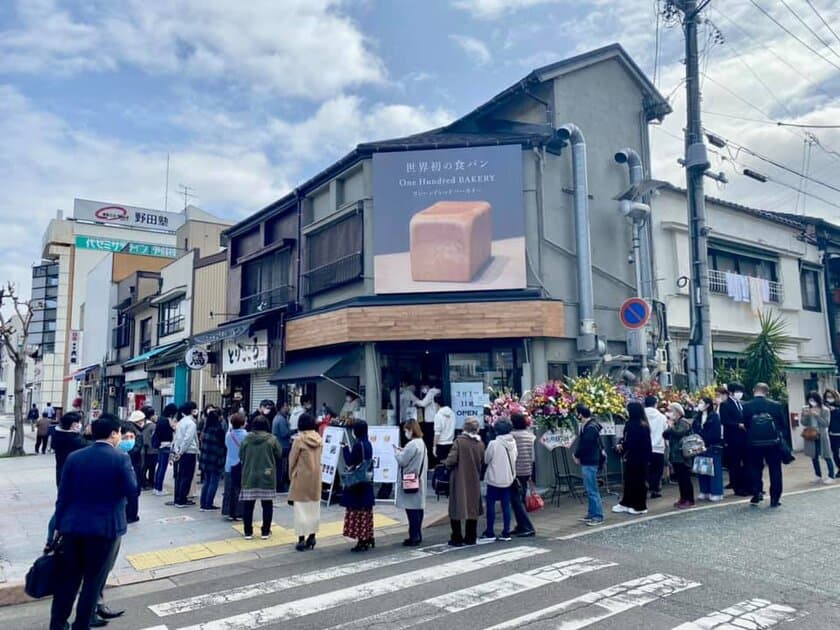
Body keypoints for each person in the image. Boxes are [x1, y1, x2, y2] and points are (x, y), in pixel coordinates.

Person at [48, 414, 136, 630]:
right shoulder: (120, 458)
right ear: (114, 433)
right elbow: (132, 490)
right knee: (92, 582)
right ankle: (82, 624)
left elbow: (63, 496)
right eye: (119, 433)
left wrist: (56, 528)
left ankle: (58, 624)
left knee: (68, 581)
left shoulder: (75, 457)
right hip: (105, 529)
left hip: (72, 527)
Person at [743, 382, 787, 507]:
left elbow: (745, 424)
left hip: (754, 444)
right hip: (773, 443)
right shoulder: (776, 405)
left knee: (754, 468)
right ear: (767, 392)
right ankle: (775, 498)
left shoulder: (747, 406)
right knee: (775, 470)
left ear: (753, 390)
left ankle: (757, 493)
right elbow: (783, 425)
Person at [239, 416, 282, 539]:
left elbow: (241, 455)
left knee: (248, 505)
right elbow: (279, 454)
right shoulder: (272, 439)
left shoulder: (246, 439)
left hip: (250, 474)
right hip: (267, 475)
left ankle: (248, 532)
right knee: (267, 505)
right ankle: (265, 531)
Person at [444, 417, 484, 546]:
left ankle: (457, 537)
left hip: (459, 478)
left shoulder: (459, 442)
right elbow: (482, 461)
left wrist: (446, 465)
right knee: (473, 508)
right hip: (474, 478)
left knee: (456, 507)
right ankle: (470, 536)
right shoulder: (480, 444)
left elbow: (451, 460)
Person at [289, 413, 323, 551]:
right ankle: (312, 536)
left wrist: (291, 475)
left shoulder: (299, 440)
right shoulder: (319, 439)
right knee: (314, 508)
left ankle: (301, 539)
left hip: (302, 477)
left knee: (301, 510)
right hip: (316, 477)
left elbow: (292, 460)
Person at [341, 420, 376, 552]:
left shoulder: (357, 445)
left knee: (357, 512)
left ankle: (362, 541)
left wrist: (344, 448)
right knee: (366, 512)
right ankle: (368, 537)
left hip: (357, 484)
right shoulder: (368, 444)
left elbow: (350, 461)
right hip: (366, 483)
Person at [613, 401, 652, 515]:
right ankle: (627, 502)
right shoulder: (640, 424)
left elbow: (631, 442)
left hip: (637, 458)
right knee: (630, 481)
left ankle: (640, 506)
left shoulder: (636, 425)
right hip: (637, 458)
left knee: (638, 482)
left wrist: (622, 446)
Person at [481, 419, 517, 541]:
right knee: (506, 505)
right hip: (508, 478)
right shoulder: (513, 442)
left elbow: (486, 459)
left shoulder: (493, 444)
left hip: (494, 478)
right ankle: (506, 532)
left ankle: (490, 531)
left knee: (490, 504)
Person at [394, 419, 427, 546]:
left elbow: (402, 461)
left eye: (406, 430)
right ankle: (417, 534)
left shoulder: (412, 444)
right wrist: (403, 450)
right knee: (418, 508)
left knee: (411, 509)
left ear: (411, 430)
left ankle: (414, 536)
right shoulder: (421, 443)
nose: (405, 433)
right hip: (419, 479)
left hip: (410, 479)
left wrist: (397, 453)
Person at [573, 405, 605, 526]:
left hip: (590, 461)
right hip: (590, 460)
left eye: (577, 413)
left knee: (592, 489)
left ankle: (597, 516)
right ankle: (592, 513)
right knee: (590, 489)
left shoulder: (590, 427)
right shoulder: (591, 425)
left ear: (581, 414)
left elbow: (586, 444)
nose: (577, 416)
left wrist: (577, 455)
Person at [662, 402, 694, 509]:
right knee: (680, 479)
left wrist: (671, 426)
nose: (669, 413)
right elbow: (665, 435)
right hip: (675, 455)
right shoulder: (674, 424)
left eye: (671, 411)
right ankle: (683, 497)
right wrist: (670, 426)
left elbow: (679, 432)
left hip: (683, 455)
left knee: (685, 478)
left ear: (677, 412)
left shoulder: (684, 422)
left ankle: (689, 499)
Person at [720, 383, 750, 496]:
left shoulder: (742, 404)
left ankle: (748, 485)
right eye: (738, 391)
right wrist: (738, 425)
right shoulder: (725, 405)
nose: (740, 394)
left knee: (746, 463)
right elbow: (725, 421)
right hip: (733, 438)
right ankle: (738, 488)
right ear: (731, 392)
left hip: (744, 438)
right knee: (735, 464)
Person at [799, 390, 835, 484]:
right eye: (810, 400)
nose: (812, 402)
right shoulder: (807, 409)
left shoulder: (825, 410)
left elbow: (826, 424)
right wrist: (805, 415)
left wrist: (817, 415)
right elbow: (803, 423)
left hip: (822, 435)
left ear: (818, 399)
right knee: (813, 456)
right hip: (811, 434)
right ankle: (818, 475)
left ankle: (831, 475)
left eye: (813, 399)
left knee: (827, 455)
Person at [509, 413, 536, 537]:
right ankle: (521, 525)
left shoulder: (512, 436)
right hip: (527, 470)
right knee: (521, 498)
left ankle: (527, 527)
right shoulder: (530, 435)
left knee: (516, 500)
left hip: (516, 471)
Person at [695, 396, 724, 501]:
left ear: (707, 405)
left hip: (712, 446)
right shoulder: (697, 417)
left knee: (713, 470)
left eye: (701, 402)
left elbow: (715, 432)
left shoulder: (714, 417)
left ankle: (716, 492)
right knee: (702, 469)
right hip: (699, 446)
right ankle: (704, 490)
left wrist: (705, 440)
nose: (699, 405)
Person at [198, 409, 226, 511]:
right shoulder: (219, 431)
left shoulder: (205, 429)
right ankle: (209, 503)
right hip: (215, 459)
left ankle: (203, 503)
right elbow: (223, 445)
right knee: (213, 482)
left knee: (207, 481)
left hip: (206, 459)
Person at [172, 402, 199, 508]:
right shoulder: (191, 424)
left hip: (181, 451)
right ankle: (182, 499)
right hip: (189, 452)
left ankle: (178, 497)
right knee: (187, 476)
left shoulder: (181, 422)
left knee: (180, 475)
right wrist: (182, 451)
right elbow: (188, 439)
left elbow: (177, 438)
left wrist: (177, 450)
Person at [222, 413, 247, 521]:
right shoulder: (246, 435)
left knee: (229, 489)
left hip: (229, 465)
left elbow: (227, 446)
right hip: (241, 465)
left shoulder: (229, 435)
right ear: (242, 423)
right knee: (240, 489)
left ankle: (228, 511)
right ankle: (239, 512)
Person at [644, 395, 667, 499]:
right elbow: (666, 431)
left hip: (645, 448)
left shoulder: (641, 416)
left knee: (646, 469)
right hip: (658, 447)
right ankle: (655, 490)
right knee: (657, 471)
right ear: (655, 404)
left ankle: (646, 486)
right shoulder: (662, 417)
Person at [151, 403, 177, 496]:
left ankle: (156, 487)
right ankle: (159, 489)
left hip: (160, 445)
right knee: (163, 467)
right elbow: (171, 432)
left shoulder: (160, 419)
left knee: (160, 467)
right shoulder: (167, 421)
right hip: (166, 445)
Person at [120, 419, 143, 524]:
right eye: (125, 437)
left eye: (131, 437)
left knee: (134, 492)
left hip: (135, 468)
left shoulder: (138, 438)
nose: (129, 440)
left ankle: (131, 515)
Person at [272, 401, 292, 492]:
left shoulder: (278, 418)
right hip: (282, 447)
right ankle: (280, 486)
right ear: (281, 407)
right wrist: (292, 431)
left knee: (279, 467)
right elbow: (284, 433)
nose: (288, 408)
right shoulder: (281, 419)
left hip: (278, 446)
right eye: (286, 406)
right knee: (282, 467)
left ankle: (279, 485)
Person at [140, 406, 158, 490]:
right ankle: (150, 483)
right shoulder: (153, 426)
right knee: (152, 468)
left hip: (143, 449)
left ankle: (142, 482)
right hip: (152, 449)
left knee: (144, 467)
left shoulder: (141, 425)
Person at [826, 389, 840, 476]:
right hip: (831, 434)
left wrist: (836, 410)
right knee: (835, 453)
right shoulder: (826, 407)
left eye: (831, 396)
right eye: (827, 397)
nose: (829, 398)